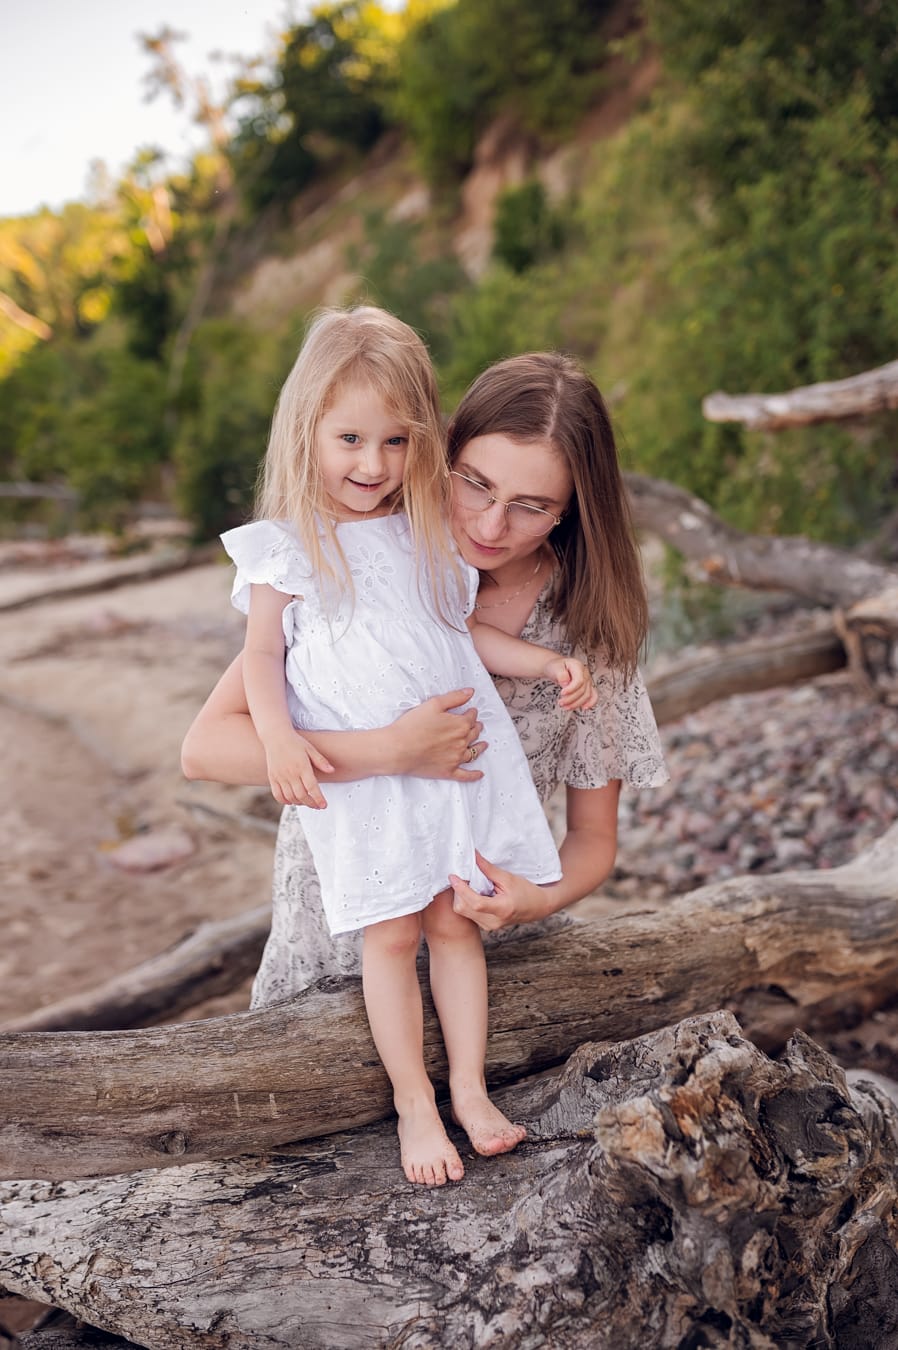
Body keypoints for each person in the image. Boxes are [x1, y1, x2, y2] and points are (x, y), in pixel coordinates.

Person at [181, 342, 669, 1176]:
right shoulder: (345, 566)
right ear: (441, 448)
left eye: (530, 505)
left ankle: (459, 1094)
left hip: (476, 951)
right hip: (326, 954)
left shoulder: (589, 642)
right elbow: (206, 748)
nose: (487, 524)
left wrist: (531, 899)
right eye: (474, 483)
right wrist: (386, 750)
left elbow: (594, 844)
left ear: (573, 511)